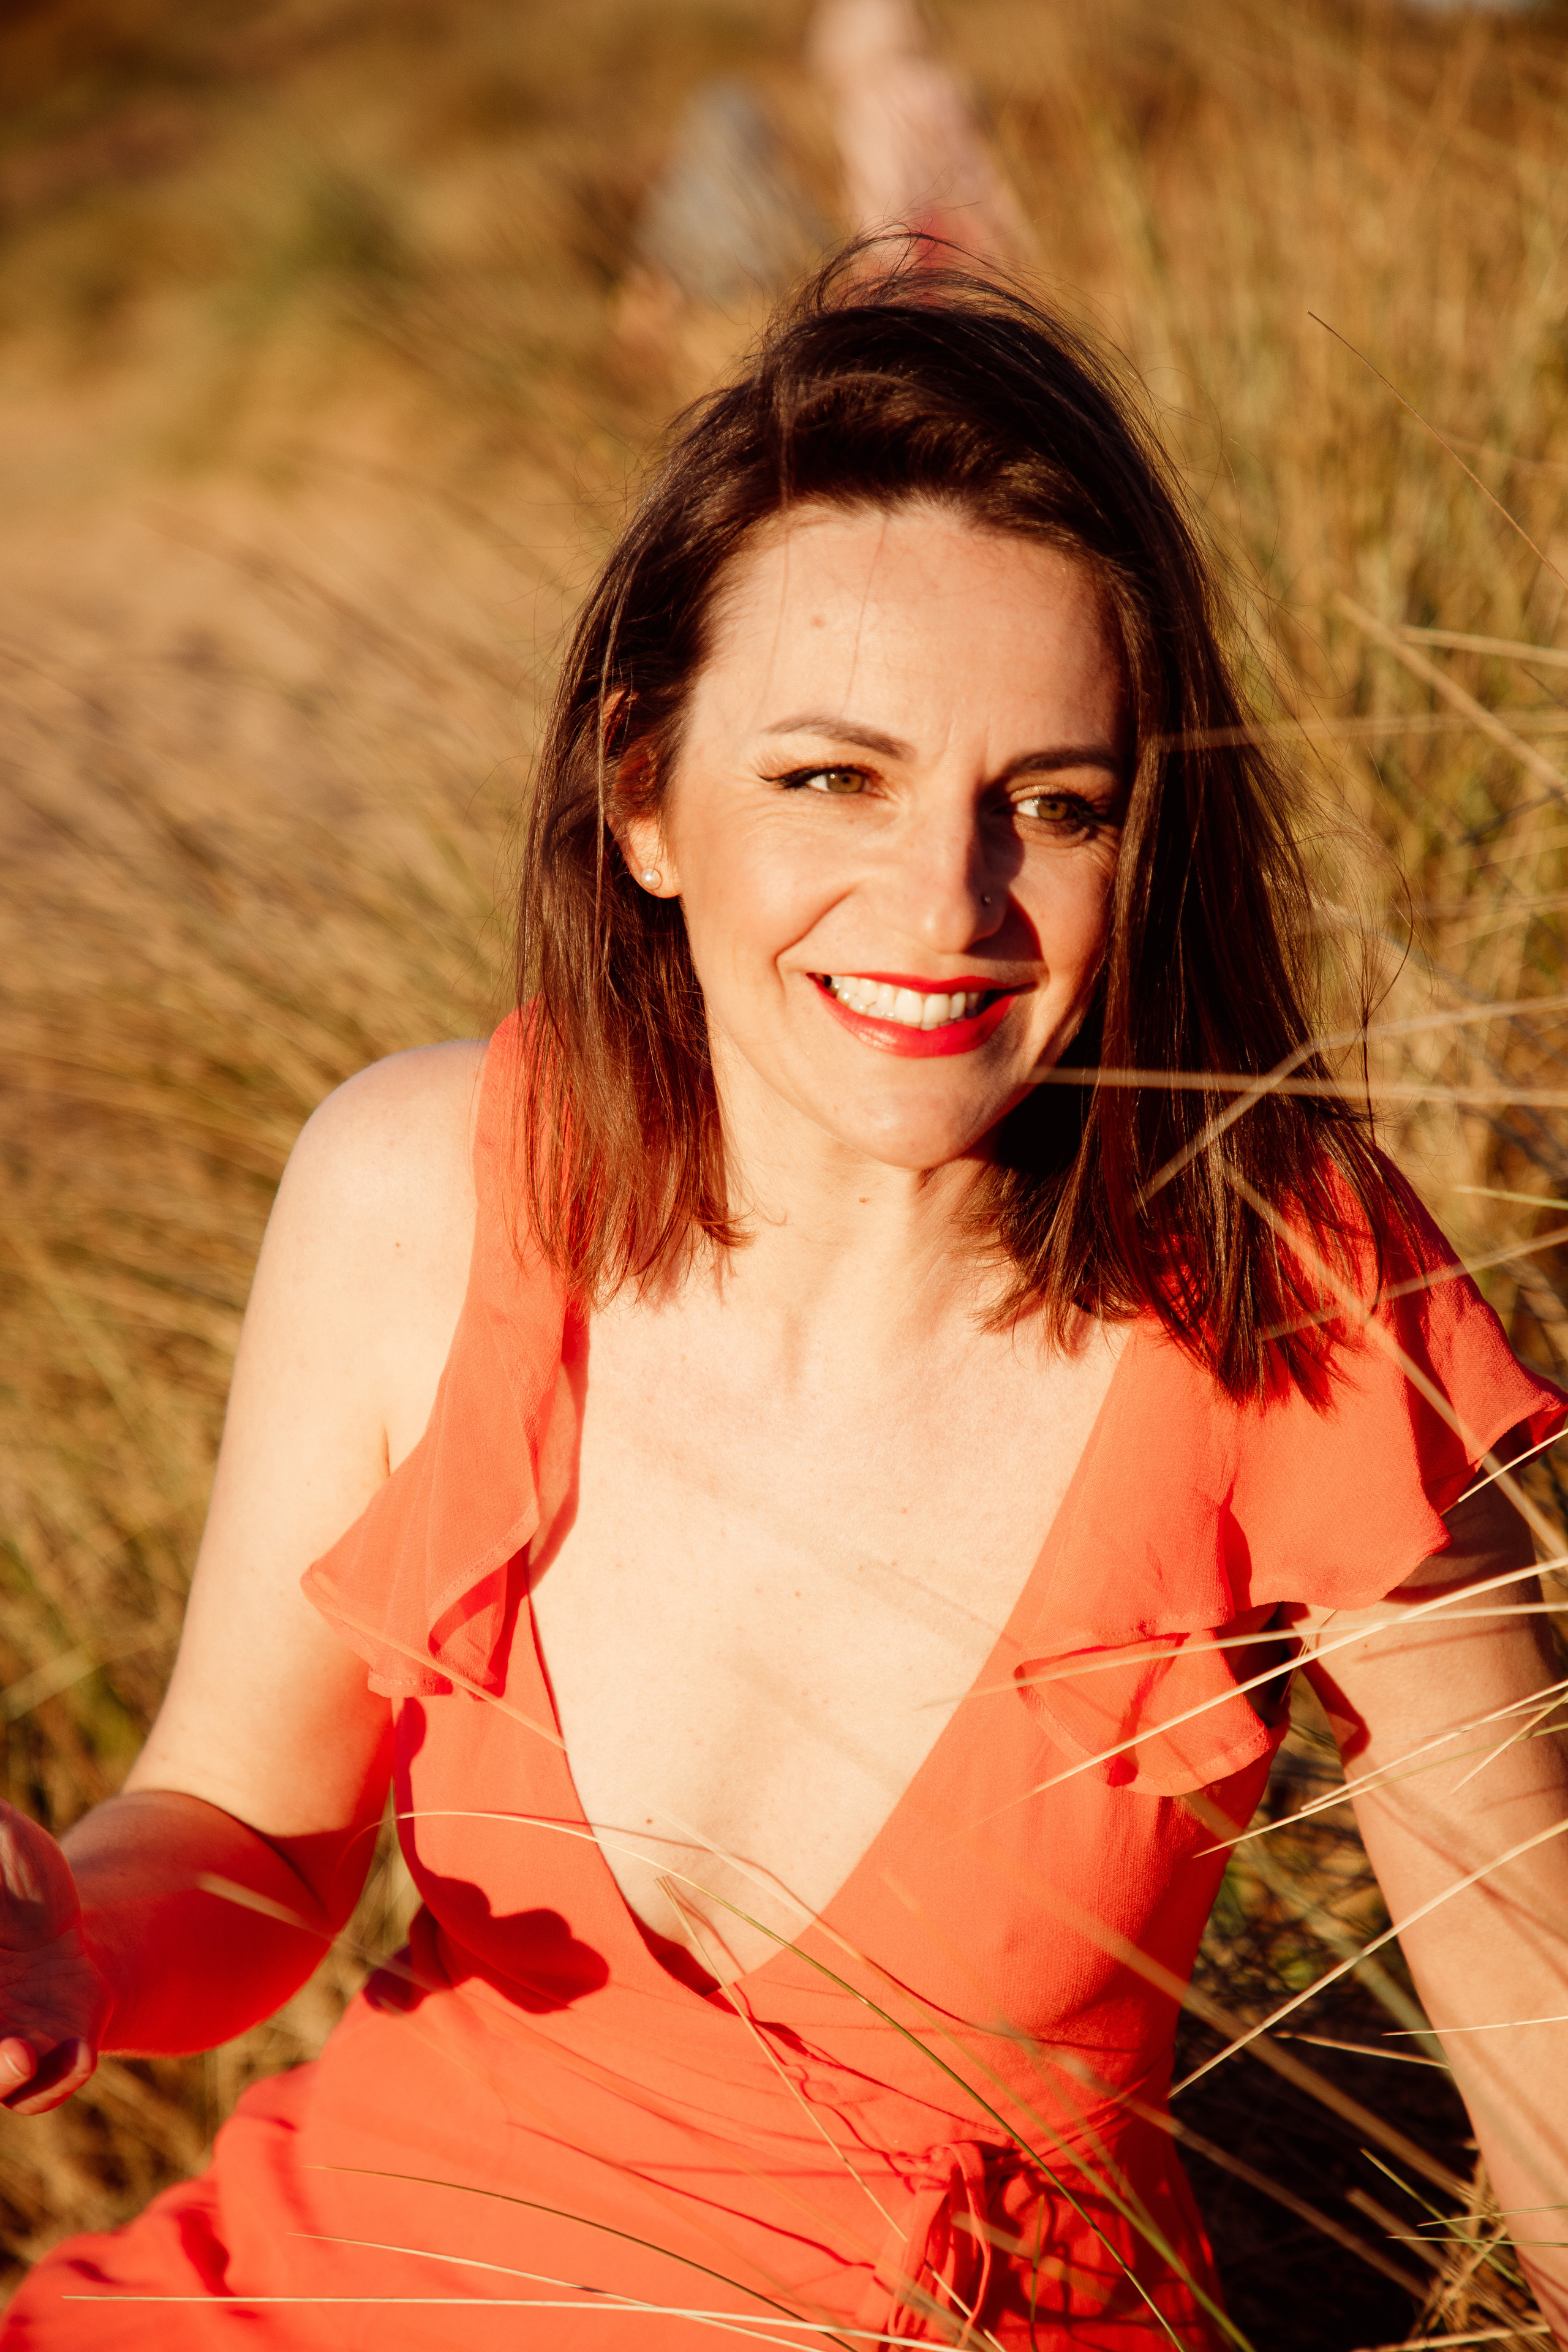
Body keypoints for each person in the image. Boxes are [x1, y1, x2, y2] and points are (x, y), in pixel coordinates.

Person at [2, 262, 1566, 2350]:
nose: (947, 906)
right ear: (643, 800)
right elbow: (253, 1838)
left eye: (1060, 805)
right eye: (833, 780)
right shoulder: (421, 1185)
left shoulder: (1292, 1285)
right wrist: (67, 1952)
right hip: (323, 2286)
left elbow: (1536, 2007)